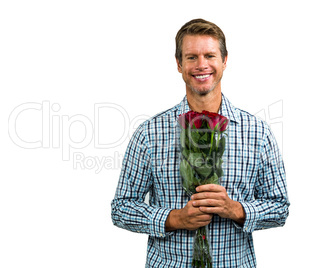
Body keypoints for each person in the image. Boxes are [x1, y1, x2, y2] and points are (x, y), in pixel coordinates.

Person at [111, 18, 289, 267]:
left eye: (210, 55)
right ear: (179, 64)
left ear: (225, 61)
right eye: (191, 57)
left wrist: (235, 210)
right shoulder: (149, 133)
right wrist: (173, 219)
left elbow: (280, 207)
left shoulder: (257, 132)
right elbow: (121, 208)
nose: (201, 65)